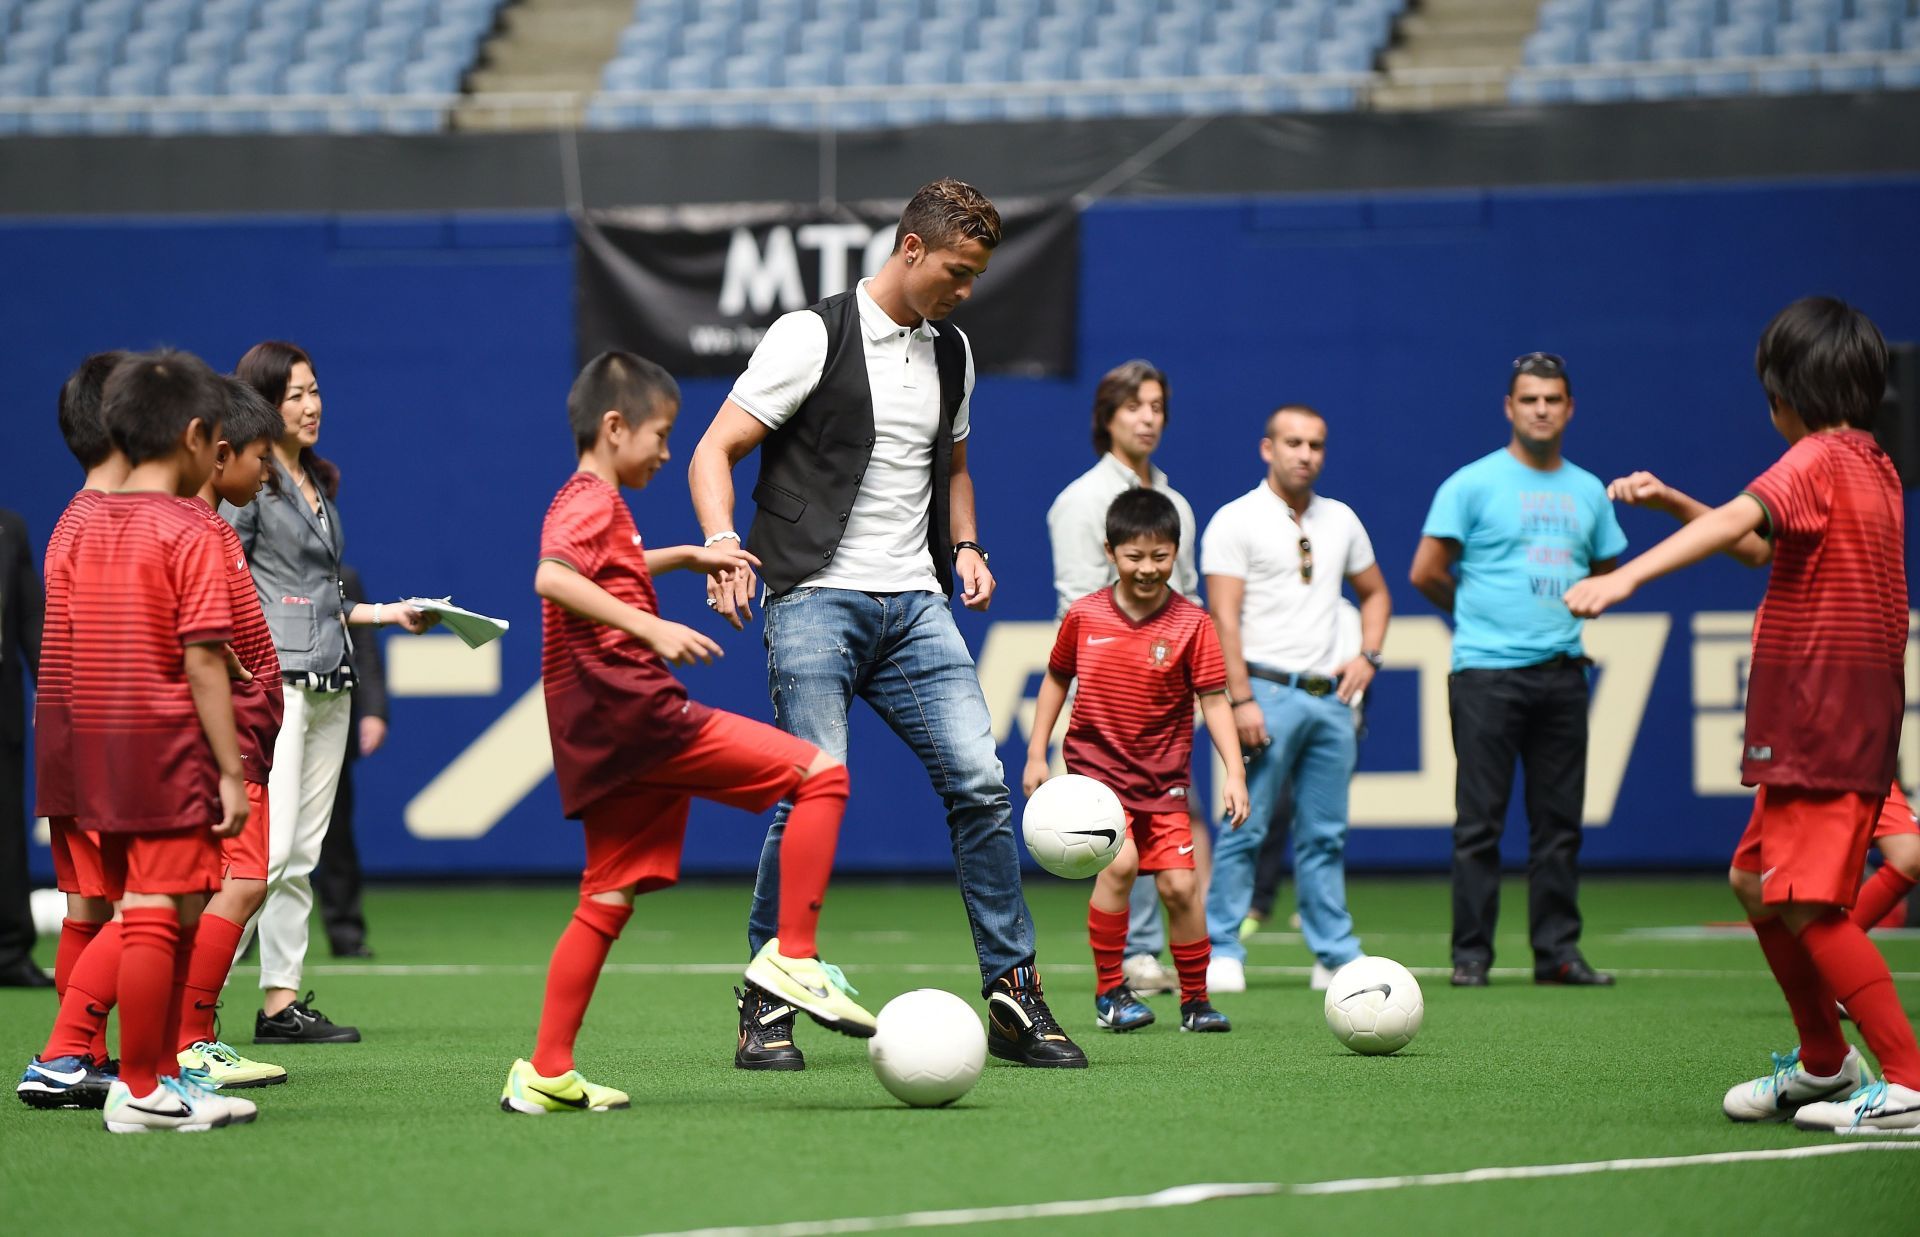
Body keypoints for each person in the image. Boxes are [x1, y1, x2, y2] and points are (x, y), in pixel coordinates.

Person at [690, 177, 1086, 1071]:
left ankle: (1013, 994)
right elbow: (715, 448)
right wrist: (721, 542)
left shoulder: (953, 351)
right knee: (810, 792)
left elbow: (952, 469)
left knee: (983, 785)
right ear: (911, 248)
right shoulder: (808, 335)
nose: (966, 290)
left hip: (917, 606)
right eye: (957, 270)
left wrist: (970, 545)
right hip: (811, 598)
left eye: (977, 275)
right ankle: (769, 995)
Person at [1567, 297, 1920, 1133]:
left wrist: (1625, 578)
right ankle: (1826, 1065)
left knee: (1802, 902)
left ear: (1782, 394)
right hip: (1847, 708)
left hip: (1817, 711)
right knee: (1754, 880)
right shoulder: (1873, 462)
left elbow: (1741, 519)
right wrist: (1676, 502)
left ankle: (1905, 1079)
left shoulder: (1811, 459)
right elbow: (1762, 544)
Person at [501, 350, 871, 1114]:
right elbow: (553, 575)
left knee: (606, 893)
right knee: (820, 775)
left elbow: (614, 562)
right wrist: (651, 626)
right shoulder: (588, 500)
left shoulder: (595, 505)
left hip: (597, 733)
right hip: (636, 714)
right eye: (662, 435)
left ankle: (545, 1069)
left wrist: (686, 556)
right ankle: (794, 956)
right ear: (614, 426)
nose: (670, 453)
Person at [1603, 467, 1920, 934]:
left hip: (1847, 731)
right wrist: (1663, 513)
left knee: (1764, 879)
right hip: (1806, 732)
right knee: (1758, 881)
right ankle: (1831, 978)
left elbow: (1746, 538)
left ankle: (1832, 975)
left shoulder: (1865, 486)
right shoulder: (1814, 472)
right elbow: (1747, 540)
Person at [225, 341, 435, 1046]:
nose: (312, 405)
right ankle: (189, 1006)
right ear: (263, 403)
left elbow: (318, 596)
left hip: (330, 679)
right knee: (269, 852)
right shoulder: (250, 482)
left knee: (302, 856)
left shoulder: (315, 481)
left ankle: (279, 1003)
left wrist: (387, 613)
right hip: (274, 682)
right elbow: (227, 580)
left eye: (315, 390)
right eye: (295, 395)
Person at [69, 349, 256, 1132]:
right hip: (167, 747)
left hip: (98, 750)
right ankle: (142, 1087)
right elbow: (204, 658)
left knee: (147, 907)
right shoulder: (190, 528)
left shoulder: (87, 519)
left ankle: (159, 1077)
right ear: (192, 435)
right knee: (155, 913)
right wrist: (231, 771)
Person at [1410, 353, 1624, 989]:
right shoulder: (1471, 484)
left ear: (1569, 408)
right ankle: (1471, 954)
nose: (1540, 409)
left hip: (1563, 674)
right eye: (1529, 399)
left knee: (1559, 822)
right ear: (1509, 407)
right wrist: (1477, 616)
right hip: (1485, 674)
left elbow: (1608, 573)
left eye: (1552, 399)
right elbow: (1425, 571)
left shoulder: (1588, 489)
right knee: (1480, 822)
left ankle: (1557, 952)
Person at [1024, 489, 1248, 1033]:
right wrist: (1036, 752)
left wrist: (1236, 772)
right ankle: (1110, 994)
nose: (1147, 569)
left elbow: (1214, 699)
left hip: (1164, 780)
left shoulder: (1193, 624)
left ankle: (1195, 1002)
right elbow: (1056, 679)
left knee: (1180, 887)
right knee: (1119, 865)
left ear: (1176, 552)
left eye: (1160, 556)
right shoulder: (1083, 615)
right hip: (1096, 779)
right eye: (1134, 557)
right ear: (1110, 551)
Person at [1202, 405, 1390, 993]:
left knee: (1325, 833)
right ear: (1267, 449)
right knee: (1246, 824)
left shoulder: (1341, 520)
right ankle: (1223, 947)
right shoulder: (1236, 520)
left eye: (1315, 444)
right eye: (1292, 442)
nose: (1304, 453)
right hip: (1264, 690)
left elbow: (1377, 594)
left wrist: (1369, 655)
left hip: (1331, 699)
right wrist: (1241, 700)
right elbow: (1223, 620)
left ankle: (1334, 952)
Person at [1044, 359, 1204, 998]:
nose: (1148, 418)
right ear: (1107, 418)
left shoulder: (1174, 502)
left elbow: (1186, 603)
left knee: (1171, 825)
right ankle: (1134, 958)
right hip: (1108, 695)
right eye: (1134, 406)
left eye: (1157, 406)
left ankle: (1171, 954)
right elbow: (1074, 605)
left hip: (1169, 692)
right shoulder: (1080, 501)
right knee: (1120, 829)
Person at [18, 352, 132, 1110]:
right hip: (110, 745)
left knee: (90, 909)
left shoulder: (74, 517)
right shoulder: (110, 523)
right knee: (156, 902)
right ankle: (64, 1053)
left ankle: (80, 1056)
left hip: (68, 739)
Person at [171, 377, 289, 1090]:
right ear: (218, 455)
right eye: (261, 457)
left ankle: (187, 1034)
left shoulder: (211, 526)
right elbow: (200, 646)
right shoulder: (203, 529)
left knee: (224, 885)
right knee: (243, 884)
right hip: (233, 740)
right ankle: (189, 1037)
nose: (268, 471)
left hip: (246, 736)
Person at [314, 563, 386, 960]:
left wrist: (375, 710)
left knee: (336, 831)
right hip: (276, 717)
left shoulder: (343, 575)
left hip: (333, 717)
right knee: (262, 837)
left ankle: (345, 930)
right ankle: (242, 934)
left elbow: (365, 652)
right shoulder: (260, 571)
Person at [0, 504, 46, 988]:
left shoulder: (10, 528)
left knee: (7, 832)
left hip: (3, 709)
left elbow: (32, 618)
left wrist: (53, 692)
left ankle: (10, 950)